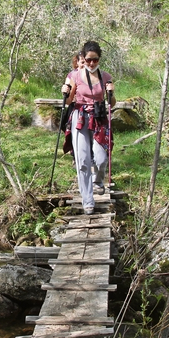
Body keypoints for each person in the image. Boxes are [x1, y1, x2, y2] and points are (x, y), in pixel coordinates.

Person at [62, 41, 115, 215]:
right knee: (83, 161)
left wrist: (111, 92)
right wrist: (65, 91)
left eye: (95, 60)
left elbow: (112, 103)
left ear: (99, 59)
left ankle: (98, 181)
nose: (92, 63)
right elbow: (69, 101)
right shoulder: (76, 76)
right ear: (83, 58)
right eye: (89, 60)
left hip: (99, 118)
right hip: (80, 118)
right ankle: (88, 201)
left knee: (101, 158)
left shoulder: (105, 76)